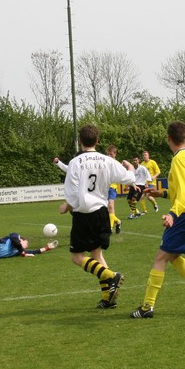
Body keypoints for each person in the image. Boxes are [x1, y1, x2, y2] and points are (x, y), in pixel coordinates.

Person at [131, 121, 185, 319]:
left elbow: (184, 193)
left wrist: (172, 214)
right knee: (172, 255)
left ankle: (147, 307)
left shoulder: (179, 159)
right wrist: (162, 193)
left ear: (168, 138)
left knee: (161, 257)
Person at [63, 125, 138, 309]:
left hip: (83, 215)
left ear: (80, 141)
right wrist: (130, 168)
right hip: (101, 213)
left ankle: (111, 276)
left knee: (76, 257)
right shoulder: (107, 160)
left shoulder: (75, 162)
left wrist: (68, 206)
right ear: (97, 141)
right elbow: (129, 178)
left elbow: (72, 193)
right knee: (96, 254)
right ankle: (108, 298)